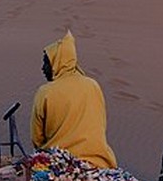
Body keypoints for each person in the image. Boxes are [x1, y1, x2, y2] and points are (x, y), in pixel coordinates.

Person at [29, 30, 117, 169]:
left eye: (46, 63)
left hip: (58, 164)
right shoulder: (92, 85)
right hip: (100, 162)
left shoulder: (46, 91)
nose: (43, 68)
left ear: (56, 63)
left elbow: (37, 138)